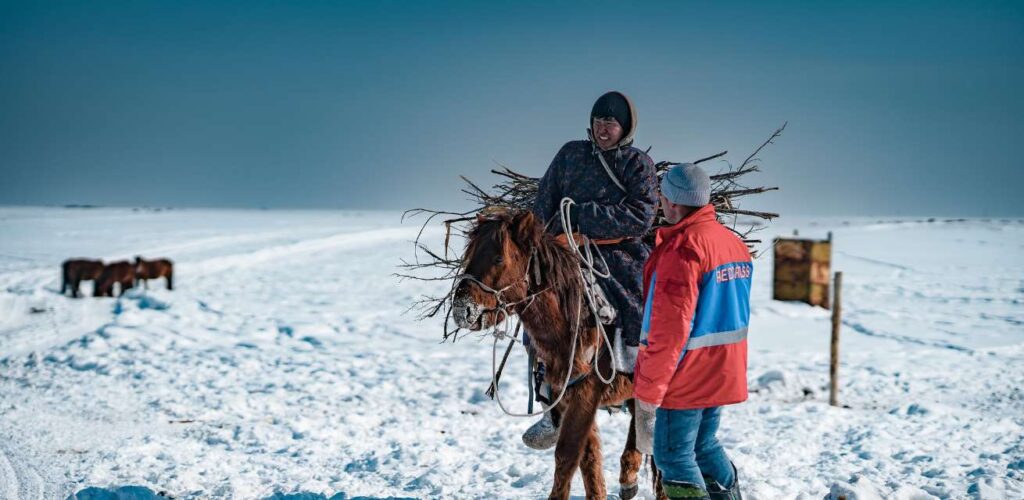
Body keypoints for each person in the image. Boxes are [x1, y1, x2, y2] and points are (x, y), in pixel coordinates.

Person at [523, 90, 658, 449]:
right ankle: (550, 405)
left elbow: (640, 217)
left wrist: (583, 219)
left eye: (611, 122)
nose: (603, 127)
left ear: (625, 126)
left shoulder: (637, 165)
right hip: (565, 250)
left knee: (639, 310)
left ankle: (645, 400)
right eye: (599, 120)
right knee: (536, 310)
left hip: (621, 254)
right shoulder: (570, 154)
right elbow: (544, 201)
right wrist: (553, 236)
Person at [633, 164, 751, 500]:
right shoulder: (731, 243)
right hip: (722, 369)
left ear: (671, 202)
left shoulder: (683, 250)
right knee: (704, 446)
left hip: (687, 375)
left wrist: (650, 388)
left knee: (674, 456)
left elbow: (669, 331)